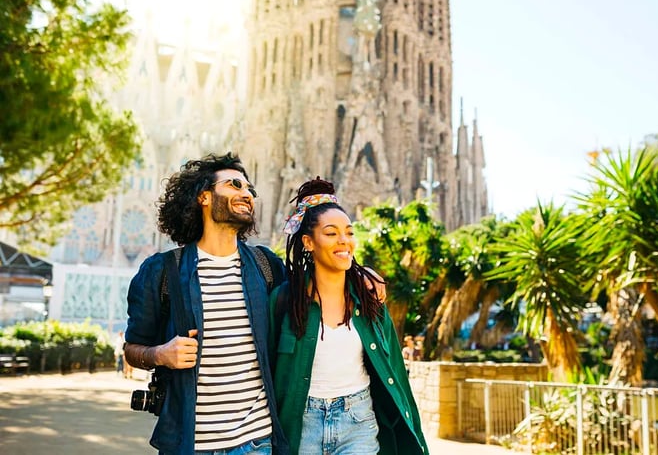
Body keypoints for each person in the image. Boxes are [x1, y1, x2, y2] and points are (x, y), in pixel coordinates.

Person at [123, 153, 288, 455]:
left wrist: (362, 276)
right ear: (204, 197)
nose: (246, 194)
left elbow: (314, 294)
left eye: (250, 190)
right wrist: (160, 354)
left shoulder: (267, 267)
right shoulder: (161, 272)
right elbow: (133, 349)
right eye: (234, 184)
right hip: (189, 444)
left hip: (257, 442)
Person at [269, 177, 429, 455]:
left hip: (358, 422)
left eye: (349, 232)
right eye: (331, 233)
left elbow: (395, 373)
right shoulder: (284, 301)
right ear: (308, 242)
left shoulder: (370, 300)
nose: (343, 240)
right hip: (302, 424)